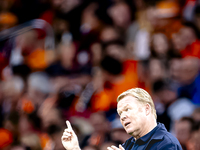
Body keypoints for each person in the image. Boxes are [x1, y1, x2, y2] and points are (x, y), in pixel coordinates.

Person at [61, 88, 183, 150]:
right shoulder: (129, 144)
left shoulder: (166, 143)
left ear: (146, 109)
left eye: (127, 109)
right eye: (120, 113)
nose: (123, 116)